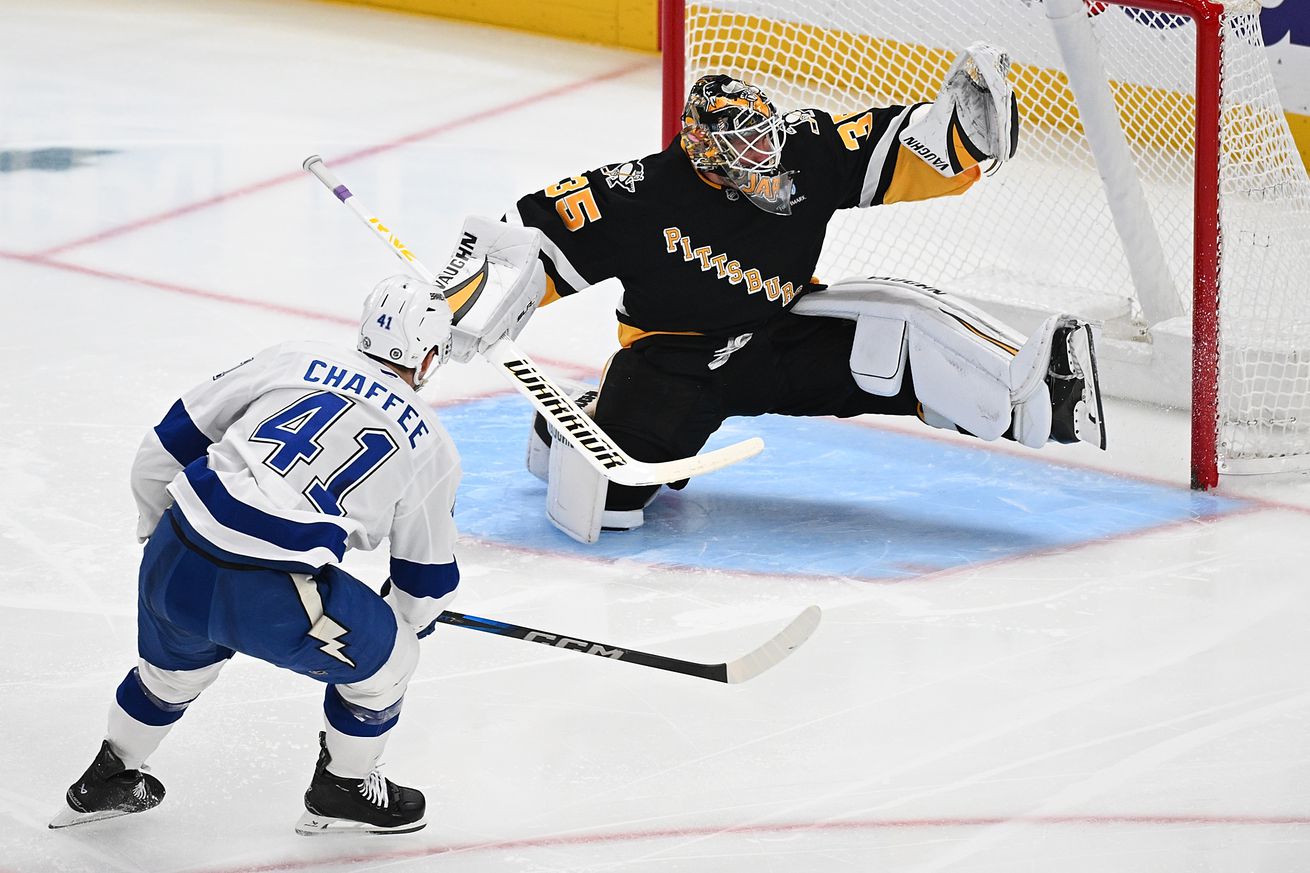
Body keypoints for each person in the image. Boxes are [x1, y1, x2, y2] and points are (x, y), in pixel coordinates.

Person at [483, 44, 1107, 543]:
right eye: (744, 146)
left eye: (766, 138)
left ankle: (1041, 399)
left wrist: (962, 132)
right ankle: (573, 423)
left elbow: (897, 145)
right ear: (703, 149)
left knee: (898, 350)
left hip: (781, 333)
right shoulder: (637, 194)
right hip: (675, 359)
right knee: (614, 500)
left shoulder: (804, 150)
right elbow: (527, 245)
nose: (765, 157)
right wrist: (459, 305)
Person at [51, 276, 462, 835]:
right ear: (431, 355)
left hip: (177, 549)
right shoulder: (431, 443)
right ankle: (343, 791)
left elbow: (163, 448)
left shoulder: (294, 357)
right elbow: (425, 583)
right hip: (276, 594)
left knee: (169, 676)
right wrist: (402, 626)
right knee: (390, 668)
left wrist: (160, 532)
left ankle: (106, 778)